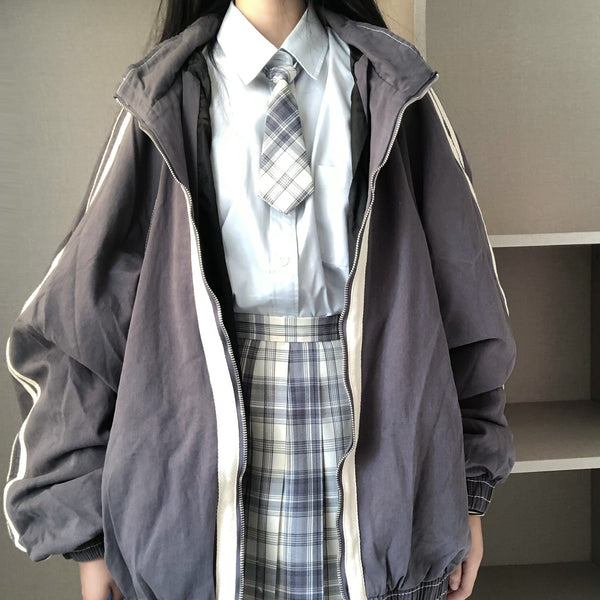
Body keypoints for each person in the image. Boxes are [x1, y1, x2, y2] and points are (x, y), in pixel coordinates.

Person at [3, 1, 516, 599]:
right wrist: (89, 536)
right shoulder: (160, 101)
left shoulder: (395, 91)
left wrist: (469, 489)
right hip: (196, 477)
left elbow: (466, 303)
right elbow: (79, 327)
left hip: (385, 469)